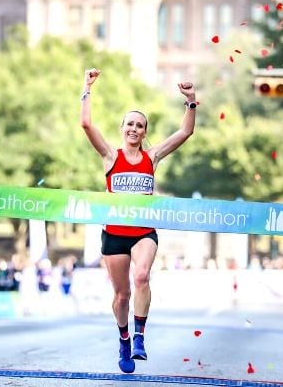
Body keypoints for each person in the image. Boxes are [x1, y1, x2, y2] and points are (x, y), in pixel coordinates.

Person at [80, 68, 196, 373]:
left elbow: (185, 133)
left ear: (145, 132)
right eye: (130, 124)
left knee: (142, 276)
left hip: (143, 232)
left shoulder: (153, 157)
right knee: (121, 296)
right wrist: (87, 88)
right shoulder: (110, 157)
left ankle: (141, 337)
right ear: (122, 129)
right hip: (114, 235)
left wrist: (191, 102)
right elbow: (86, 123)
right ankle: (124, 339)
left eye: (140, 125)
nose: (134, 129)